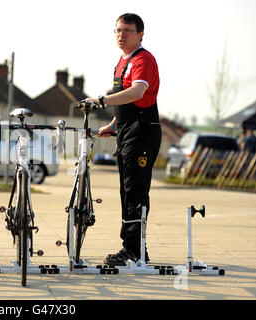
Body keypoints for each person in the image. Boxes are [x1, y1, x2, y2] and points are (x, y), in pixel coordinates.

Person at [85, 13, 161, 266]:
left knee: (136, 190)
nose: (121, 34)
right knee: (127, 190)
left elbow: (138, 92)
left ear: (140, 34)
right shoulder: (121, 62)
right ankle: (133, 248)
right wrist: (113, 125)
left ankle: (135, 250)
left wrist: (102, 100)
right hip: (128, 130)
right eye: (118, 30)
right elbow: (127, 102)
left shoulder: (143, 59)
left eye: (127, 30)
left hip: (143, 131)